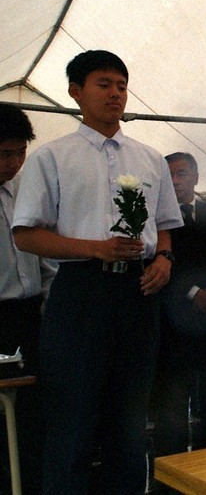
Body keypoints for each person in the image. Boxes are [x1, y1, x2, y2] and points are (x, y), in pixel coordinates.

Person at [11, 50, 183, 494]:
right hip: (80, 291)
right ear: (76, 92)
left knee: (129, 420)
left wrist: (163, 259)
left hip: (139, 291)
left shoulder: (149, 159)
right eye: (104, 84)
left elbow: (164, 226)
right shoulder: (52, 158)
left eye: (122, 86)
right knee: (73, 417)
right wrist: (93, 249)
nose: (116, 94)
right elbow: (26, 234)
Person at [150, 153, 206, 464]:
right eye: (170, 175)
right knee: (172, 404)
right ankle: (170, 473)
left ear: (196, 177)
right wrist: (192, 292)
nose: (176, 181)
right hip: (173, 327)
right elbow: (156, 265)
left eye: (182, 174)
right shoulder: (156, 219)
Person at [0, 105, 57, 494]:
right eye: (5, 153)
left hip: (30, 316)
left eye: (20, 153)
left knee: (35, 413)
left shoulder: (25, 191)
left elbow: (48, 259)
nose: (14, 162)